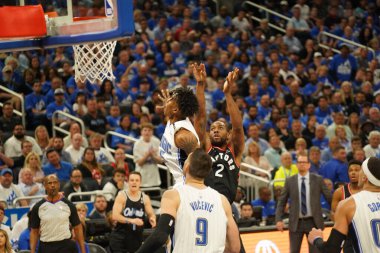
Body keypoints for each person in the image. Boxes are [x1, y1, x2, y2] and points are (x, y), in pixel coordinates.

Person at [136, 148, 240, 253]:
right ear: (208, 172)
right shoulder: (222, 201)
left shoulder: (173, 195)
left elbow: (160, 236)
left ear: (186, 167)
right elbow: (235, 248)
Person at [195, 64, 245, 204]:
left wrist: (228, 94)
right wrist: (200, 84)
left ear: (228, 135)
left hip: (227, 205)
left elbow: (238, 127)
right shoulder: (206, 148)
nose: (215, 129)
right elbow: (200, 118)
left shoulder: (234, 150)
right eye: (212, 128)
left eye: (220, 127)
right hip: (206, 204)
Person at [308, 157, 380, 252]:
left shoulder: (348, 205)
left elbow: (331, 250)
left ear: (364, 177)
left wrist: (317, 239)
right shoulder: (340, 192)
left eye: (360, 170)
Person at [275, 154, 332, 253]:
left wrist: (337, 211)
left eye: (304, 162)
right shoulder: (290, 181)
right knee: (294, 251)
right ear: (296, 165)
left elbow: (329, 198)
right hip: (296, 222)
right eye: (299, 162)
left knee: (316, 251)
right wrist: (278, 219)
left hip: (313, 222)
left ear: (309, 165)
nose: (302, 164)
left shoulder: (318, 179)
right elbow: (282, 201)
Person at [30, 174, 86, 253]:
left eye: (55, 182)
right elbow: (34, 231)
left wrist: (83, 250)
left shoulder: (69, 205)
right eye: (49, 183)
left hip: (65, 246)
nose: (53, 185)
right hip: (46, 247)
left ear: (59, 185)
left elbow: (77, 228)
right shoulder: (38, 207)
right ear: (45, 186)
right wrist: (32, 251)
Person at [158, 84, 200, 186]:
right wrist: (168, 105)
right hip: (179, 182)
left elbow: (201, 163)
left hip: (188, 185)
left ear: (175, 110)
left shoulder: (183, 136)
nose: (167, 101)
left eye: (170, 100)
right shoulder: (173, 119)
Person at [110, 171, 157, 253]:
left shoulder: (145, 198)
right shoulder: (122, 196)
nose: (134, 182)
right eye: (132, 180)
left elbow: (151, 213)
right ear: (128, 182)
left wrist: (152, 218)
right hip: (120, 237)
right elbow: (115, 215)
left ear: (140, 183)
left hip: (136, 238)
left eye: (136, 180)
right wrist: (131, 220)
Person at [329, 160, 362, 253]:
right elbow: (333, 214)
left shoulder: (368, 190)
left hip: (366, 233)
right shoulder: (339, 192)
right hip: (348, 237)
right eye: (351, 170)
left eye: (356, 170)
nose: (353, 172)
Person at [133, 123, 163, 187]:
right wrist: (148, 155)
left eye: (149, 130)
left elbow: (160, 161)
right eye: (145, 130)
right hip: (141, 175)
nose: (147, 132)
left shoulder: (156, 141)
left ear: (152, 132)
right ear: (141, 132)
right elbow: (139, 163)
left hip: (154, 176)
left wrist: (152, 155)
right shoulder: (137, 144)